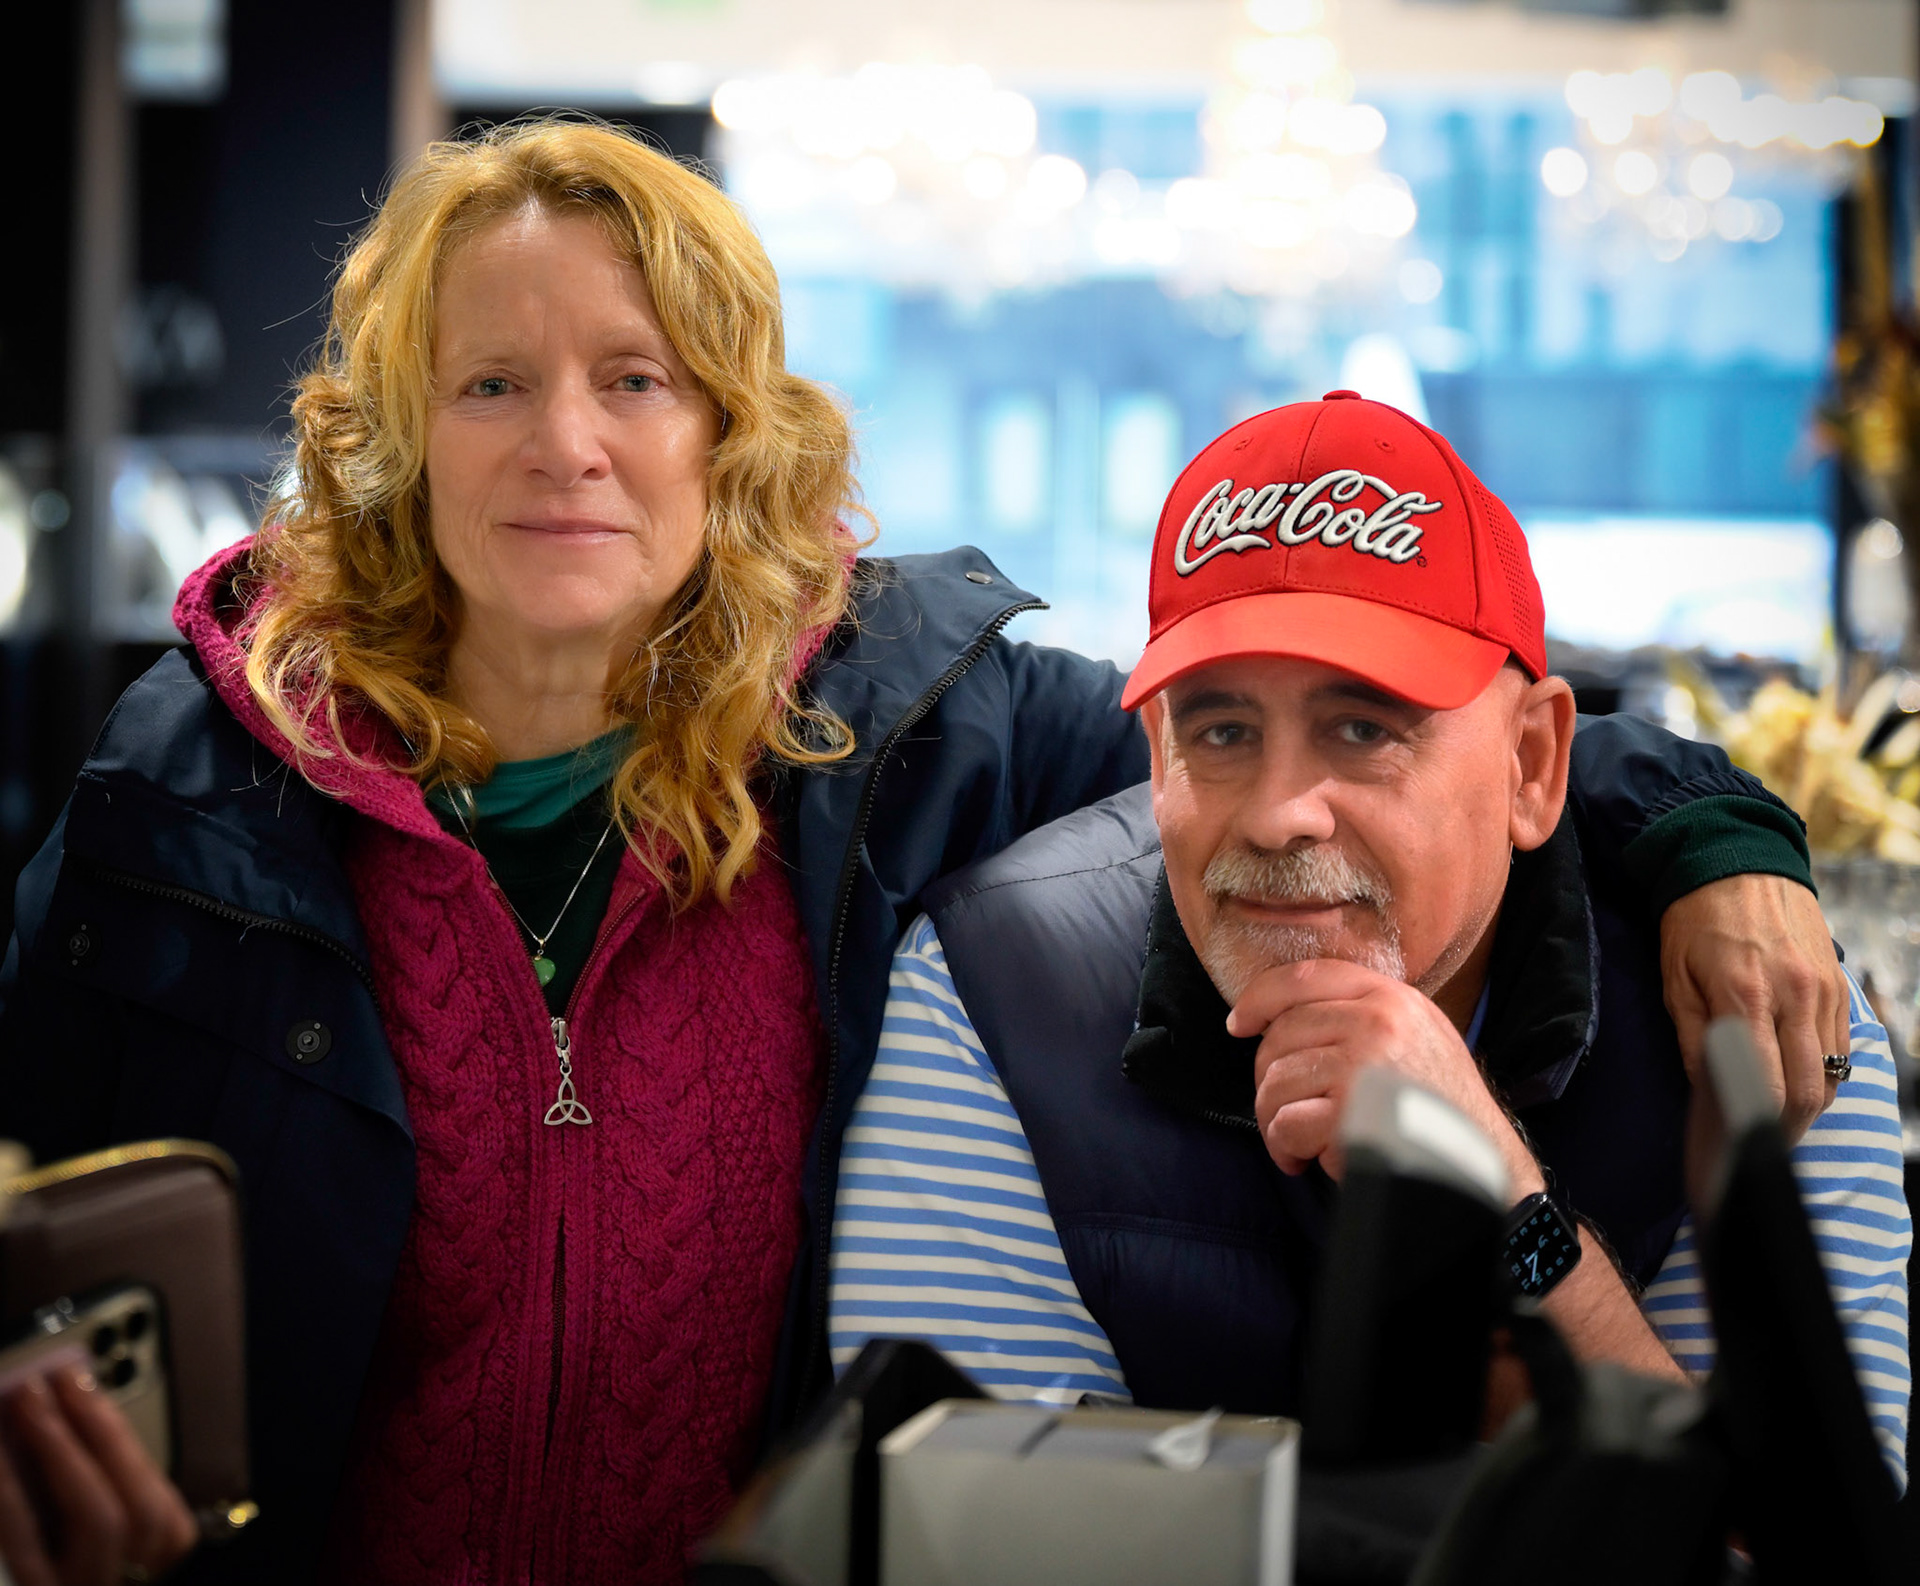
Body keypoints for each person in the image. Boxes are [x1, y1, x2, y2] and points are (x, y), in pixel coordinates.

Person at [0, 115, 1857, 1584]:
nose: (565, 440)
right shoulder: (190, 786)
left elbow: (1353, 746)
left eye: (636, 378)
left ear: (729, 429)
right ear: (398, 434)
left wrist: (1705, 831)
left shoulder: (901, 731)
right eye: (491, 383)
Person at [827, 391, 1912, 1486]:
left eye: (1364, 727)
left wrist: (1506, 1212)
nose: (1279, 809)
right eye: (1223, 729)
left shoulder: (1760, 1009)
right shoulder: (998, 990)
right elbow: (958, 1528)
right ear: (1156, 756)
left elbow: (1803, 1537)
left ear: (1534, 764)